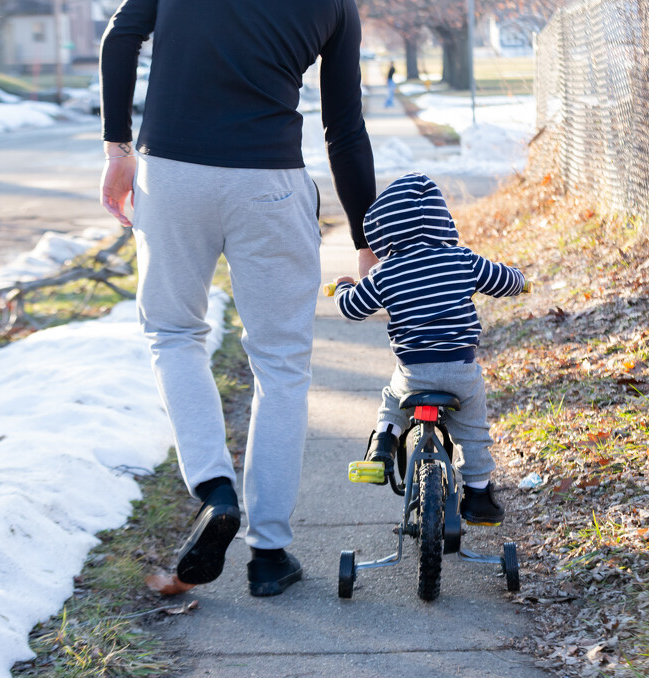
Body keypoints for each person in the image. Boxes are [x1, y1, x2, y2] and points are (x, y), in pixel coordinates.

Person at [98, 0, 377, 597]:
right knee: (280, 364)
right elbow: (344, 127)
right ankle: (270, 555)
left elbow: (120, 39)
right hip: (270, 183)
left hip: (171, 174)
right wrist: (365, 236)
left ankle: (215, 491)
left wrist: (117, 148)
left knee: (173, 333)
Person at [332, 173, 525, 525]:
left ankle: (381, 450)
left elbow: (353, 308)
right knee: (472, 429)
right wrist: (520, 280)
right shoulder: (463, 260)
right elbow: (504, 281)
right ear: (441, 220)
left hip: (414, 373)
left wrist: (345, 287)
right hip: (460, 372)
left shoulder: (385, 272)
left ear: (385, 230)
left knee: (393, 399)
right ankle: (479, 496)